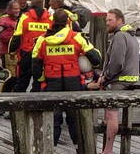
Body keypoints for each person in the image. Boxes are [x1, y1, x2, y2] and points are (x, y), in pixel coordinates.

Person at [32, 9, 102, 147]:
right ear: (67, 22)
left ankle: (49, 150)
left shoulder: (42, 40)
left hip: (52, 84)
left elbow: (35, 66)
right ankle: (79, 150)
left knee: (52, 117)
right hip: (73, 84)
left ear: (52, 22)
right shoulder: (77, 37)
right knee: (75, 118)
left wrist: (41, 80)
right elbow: (96, 59)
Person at [91, 9, 140, 154]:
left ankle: (108, 151)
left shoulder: (119, 36)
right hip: (130, 80)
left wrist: (105, 77)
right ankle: (109, 149)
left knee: (111, 114)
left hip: (119, 81)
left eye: (110, 20)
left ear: (120, 20)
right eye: (106, 20)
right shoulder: (131, 36)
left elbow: (117, 62)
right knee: (109, 114)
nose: (107, 23)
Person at [8, 0, 51, 92]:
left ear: (31, 3)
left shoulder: (25, 17)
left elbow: (17, 36)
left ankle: (17, 102)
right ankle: (35, 100)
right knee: (39, 80)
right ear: (43, 4)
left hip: (27, 53)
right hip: (43, 55)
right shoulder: (50, 18)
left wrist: (11, 51)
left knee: (23, 80)